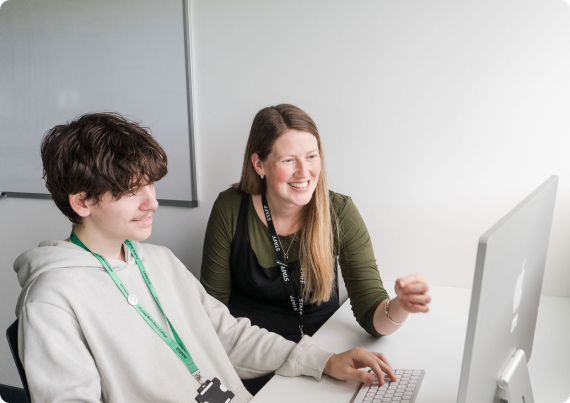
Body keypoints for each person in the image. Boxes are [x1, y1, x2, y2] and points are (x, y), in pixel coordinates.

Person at [14, 112, 397, 403]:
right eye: (132, 191)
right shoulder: (52, 299)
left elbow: (229, 335)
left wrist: (323, 361)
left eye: (150, 185)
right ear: (82, 201)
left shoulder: (158, 261)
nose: (153, 202)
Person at [200, 105, 431, 381]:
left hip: (326, 360)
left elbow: (372, 315)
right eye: (288, 160)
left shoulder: (339, 211)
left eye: (311, 157)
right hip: (254, 361)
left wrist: (400, 306)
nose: (304, 172)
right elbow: (209, 316)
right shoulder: (230, 209)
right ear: (259, 164)